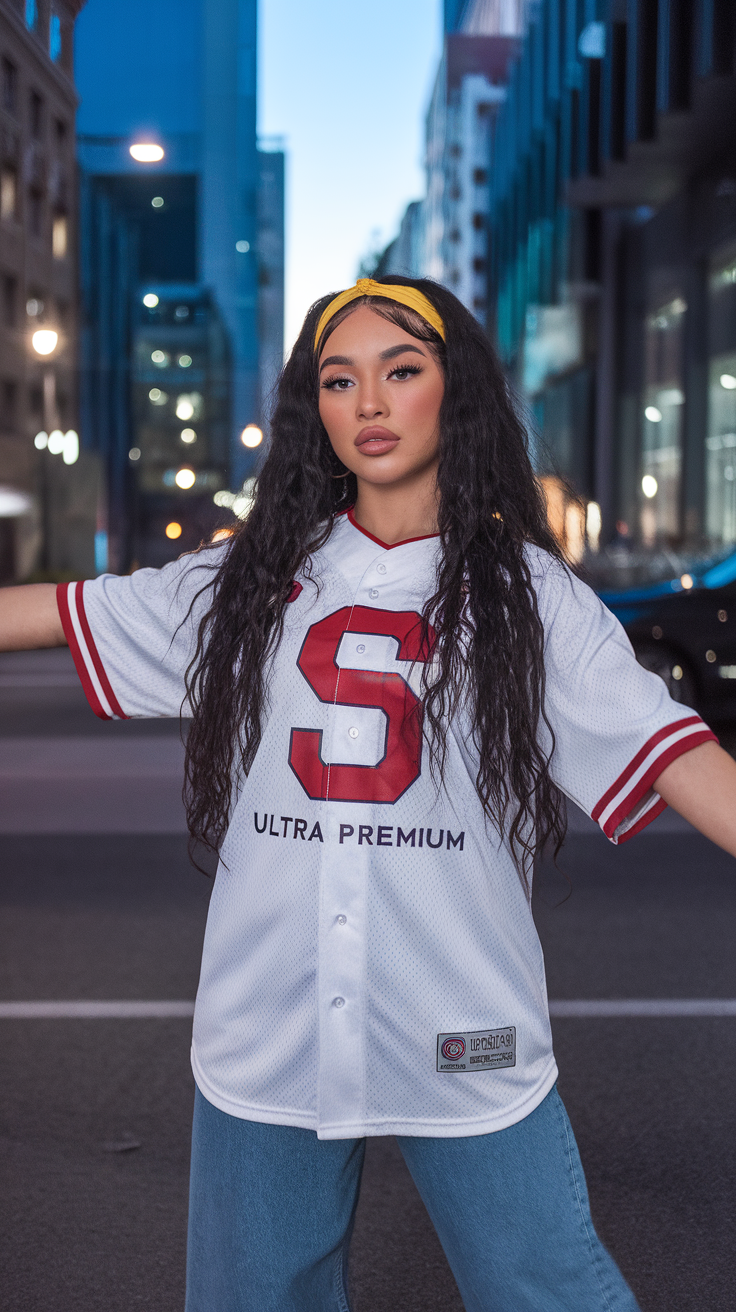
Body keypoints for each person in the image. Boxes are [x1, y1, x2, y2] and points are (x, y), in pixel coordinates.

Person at [3, 276, 736, 1312]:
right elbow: (49, 610)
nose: (371, 404)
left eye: (402, 371)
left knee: (545, 1290)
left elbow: (681, 761)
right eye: (339, 381)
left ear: (457, 390)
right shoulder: (244, 584)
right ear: (316, 410)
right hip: (268, 1020)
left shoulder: (532, 601)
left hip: (460, 1014)